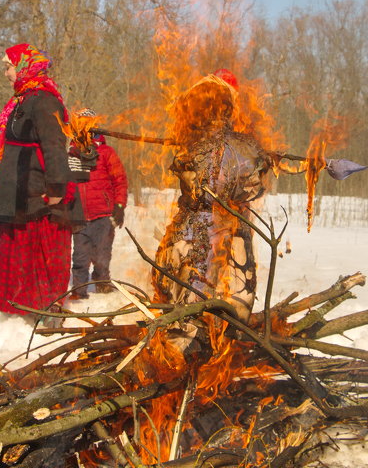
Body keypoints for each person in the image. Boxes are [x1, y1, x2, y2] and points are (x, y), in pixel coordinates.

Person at [152, 69, 273, 322]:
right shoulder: (240, 145)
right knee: (209, 304)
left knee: (184, 297)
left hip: (188, 228)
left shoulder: (191, 144)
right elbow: (254, 187)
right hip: (218, 231)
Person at [0, 43, 83, 320]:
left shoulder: (45, 101)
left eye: (9, 66)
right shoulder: (22, 99)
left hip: (36, 191)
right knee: (2, 247)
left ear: (25, 66)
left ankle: (44, 309)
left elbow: (54, 146)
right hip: (14, 188)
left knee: (38, 254)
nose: (6, 73)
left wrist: (56, 190)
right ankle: (9, 301)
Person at [68, 109, 128, 299]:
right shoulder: (71, 154)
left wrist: (119, 206)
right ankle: (79, 290)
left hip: (103, 214)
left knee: (102, 256)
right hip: (78, 215)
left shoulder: (106, 153)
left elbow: (120, 180)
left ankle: (102, 283)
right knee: (80, 257)